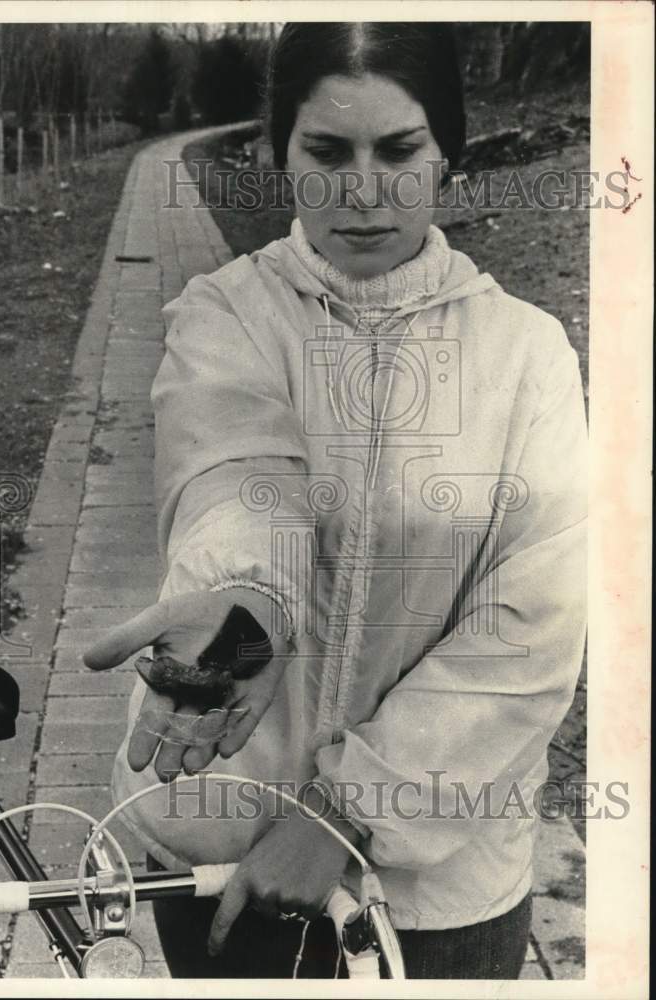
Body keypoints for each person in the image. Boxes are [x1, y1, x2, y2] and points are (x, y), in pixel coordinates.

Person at [85, 22, 587, 980]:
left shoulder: (530, 357)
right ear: (281, 155)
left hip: (439, 890)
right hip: (222, 848)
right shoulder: (222, 314)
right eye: (325, 151)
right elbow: (236, 472)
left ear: (449, 153)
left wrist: (346, 814)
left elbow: (533, 626)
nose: (362, 190)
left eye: (398, 150)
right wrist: (250, 609)